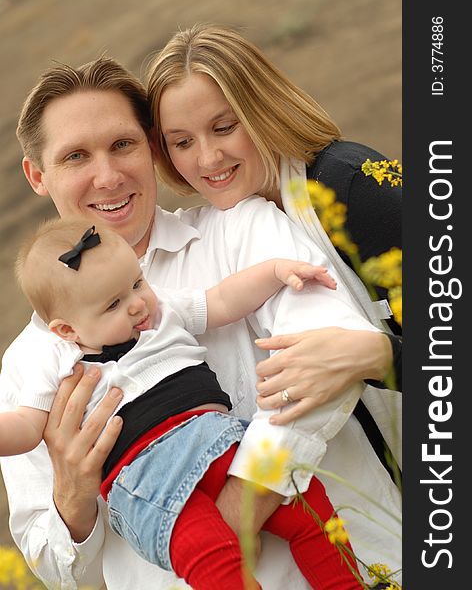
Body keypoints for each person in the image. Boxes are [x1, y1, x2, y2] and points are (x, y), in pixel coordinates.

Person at [0, 55, 401, 590]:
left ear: (151, 147)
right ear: (37, 176)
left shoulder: (242, 230)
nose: (108, 175)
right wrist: (73, 497)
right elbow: (57, 569)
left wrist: (235, 512)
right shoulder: (28, 362)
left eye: (123, 145)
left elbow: (326, 365)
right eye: (76, 156)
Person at [2, 217, 361, 590]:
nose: (137, 304)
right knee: (212, 558)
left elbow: (221, 300)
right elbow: (27, 427)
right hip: (147, 478)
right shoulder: (54, 360)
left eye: (137, 284)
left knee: (303, 496)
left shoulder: (162, 312)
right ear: (67, 329)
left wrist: (273, 272)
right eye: (113, 305)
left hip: (226, 439)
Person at [145, 24, 402, 480]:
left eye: (224, 128)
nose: (207, 159)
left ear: (261, 109)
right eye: (182, 142)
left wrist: (376, 355)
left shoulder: (351, 183)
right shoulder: (230, 230)